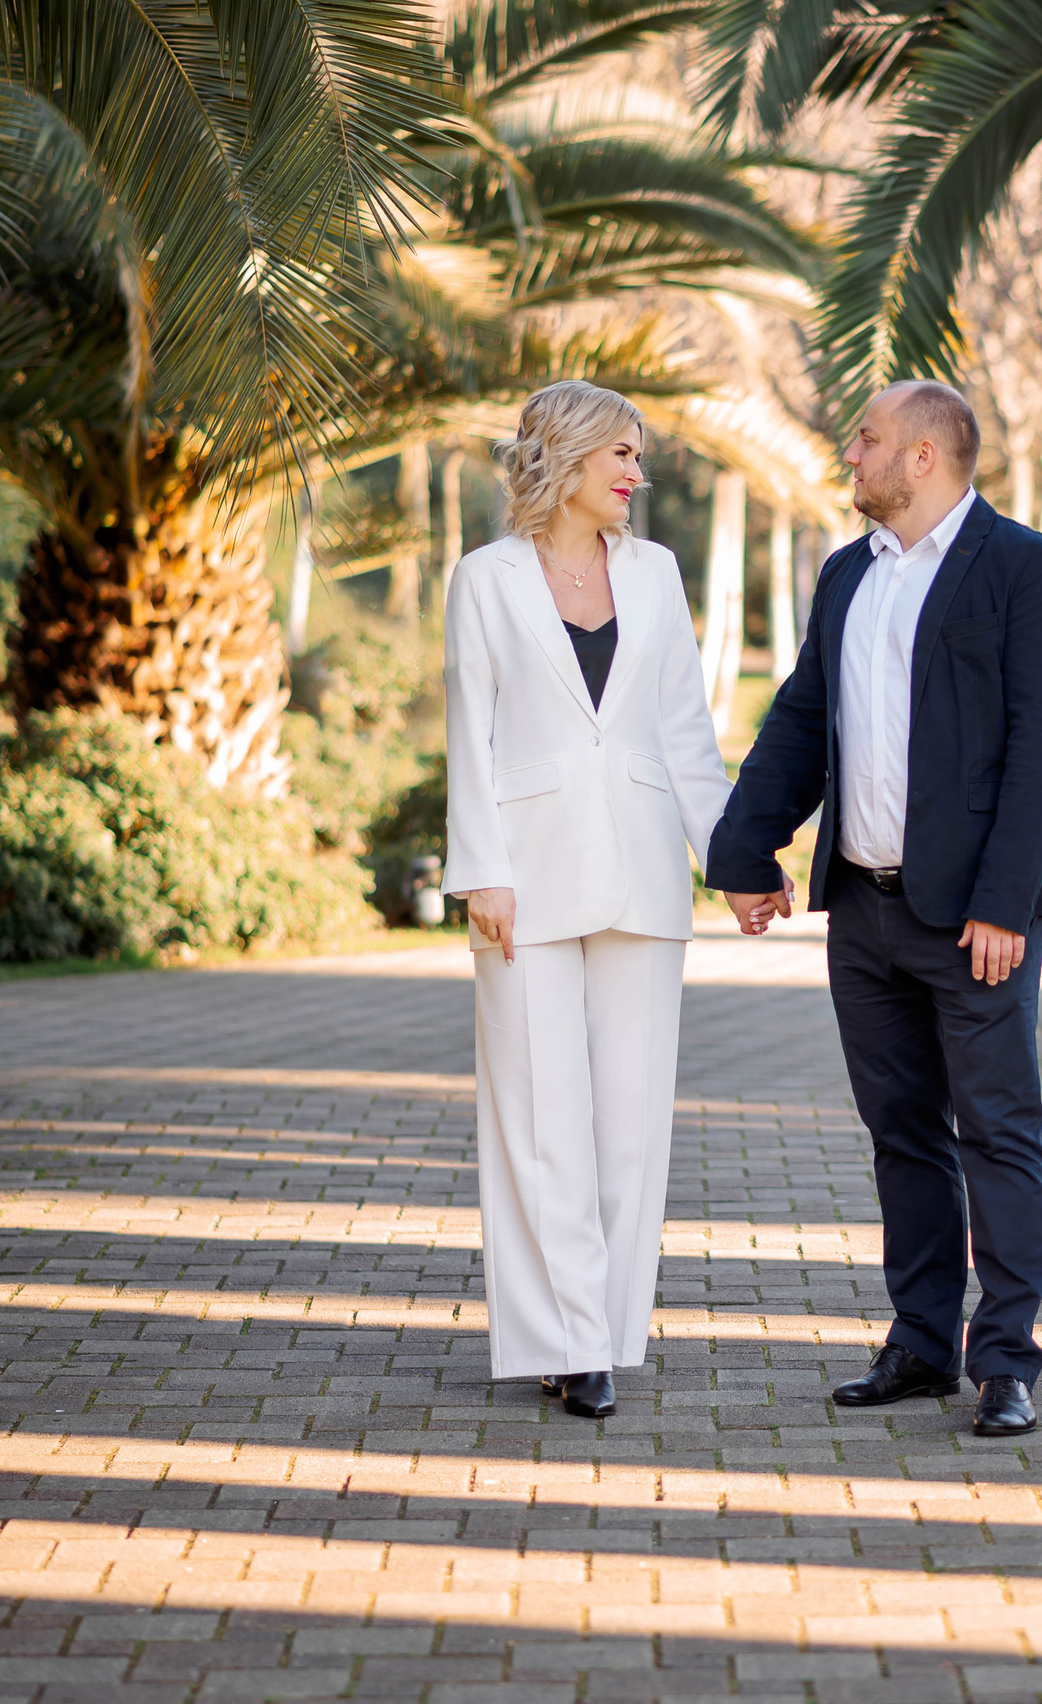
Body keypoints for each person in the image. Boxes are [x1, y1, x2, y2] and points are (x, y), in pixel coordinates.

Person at [706, 380, 1042, 1438]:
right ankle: (921, 1342)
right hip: (862, 913)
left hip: (974, 920)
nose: (850, 451)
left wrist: (1006, 902)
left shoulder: (1027, 571)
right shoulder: (846, 577)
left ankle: (1004, 1360)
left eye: (865, 437)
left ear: (923, 456)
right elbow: (802, 720)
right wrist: (745, 848)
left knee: (997, 1132)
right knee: (900, 1135)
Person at [444, 380, 761, 1419]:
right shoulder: (484, 579)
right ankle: (563, 1338)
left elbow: (685, 737)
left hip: (640, 872)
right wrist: (479, 868)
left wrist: (735, 861)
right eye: (621, 455)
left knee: (627, 1123)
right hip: (522, 879)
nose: (637, 474)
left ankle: (607, 1333)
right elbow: (472, 735)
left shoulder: (658, 573)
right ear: (567, 457)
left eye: (639, 456)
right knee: (541, 1119)